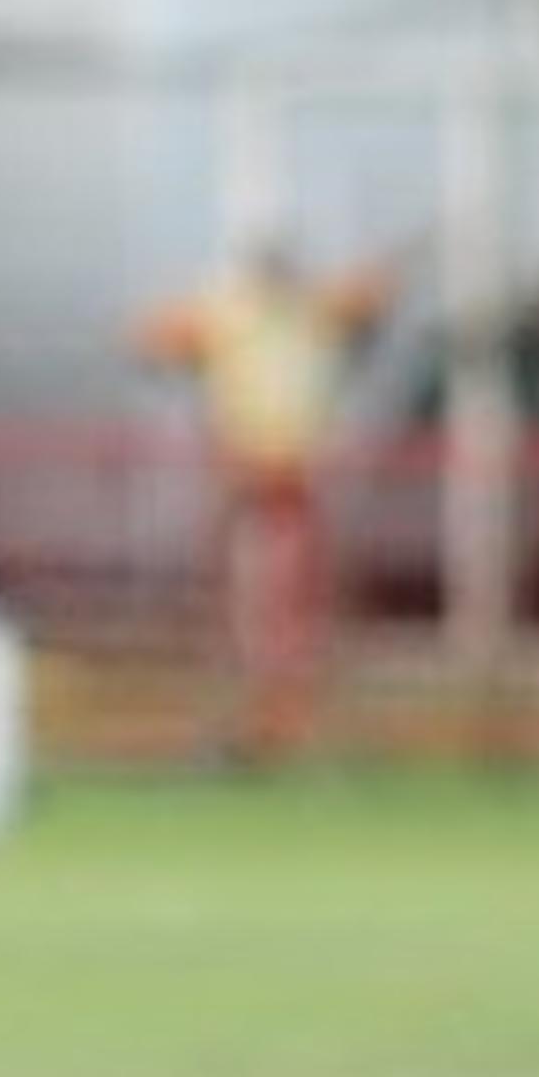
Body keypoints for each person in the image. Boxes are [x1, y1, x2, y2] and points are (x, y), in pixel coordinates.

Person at [131, 232, 395, 763]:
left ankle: (291, 718)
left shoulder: (311, 315)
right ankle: (235, 718)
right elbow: (148, 340)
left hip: (297, 479)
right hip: (242, 474)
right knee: (239, 604)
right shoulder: (230, 316)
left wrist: (372, 293)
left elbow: (364, 311)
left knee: (300, 605)